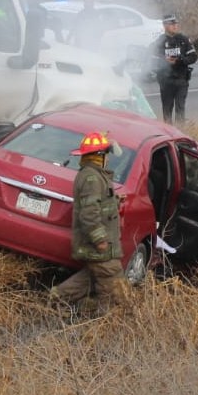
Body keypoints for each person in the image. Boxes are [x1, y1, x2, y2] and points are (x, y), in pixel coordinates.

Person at [50, 131, 125, 311]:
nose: (108, 158)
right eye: (106, 154)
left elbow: (96, 204)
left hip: (98, 244)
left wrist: (114, 201)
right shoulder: (91, 178)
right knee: (112, 281)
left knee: (91, 277)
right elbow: (88, 213)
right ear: (99, 156)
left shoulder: (95, 175)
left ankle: (57, 299)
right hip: (97, 244)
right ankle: (108, 320)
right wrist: (100, 239)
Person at [149, 14, 197, 125]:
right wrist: (165, 61)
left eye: (176, 24)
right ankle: (169, 135)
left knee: (180, 109)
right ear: (165, 25)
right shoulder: (159, 42)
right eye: (172, 24)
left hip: (181, 79)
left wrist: (180, 60)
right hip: (166, 81)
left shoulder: (184, 40)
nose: (175, 26)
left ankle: (181, 133)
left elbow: (193, 57)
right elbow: (152, 60)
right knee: (167, 111)